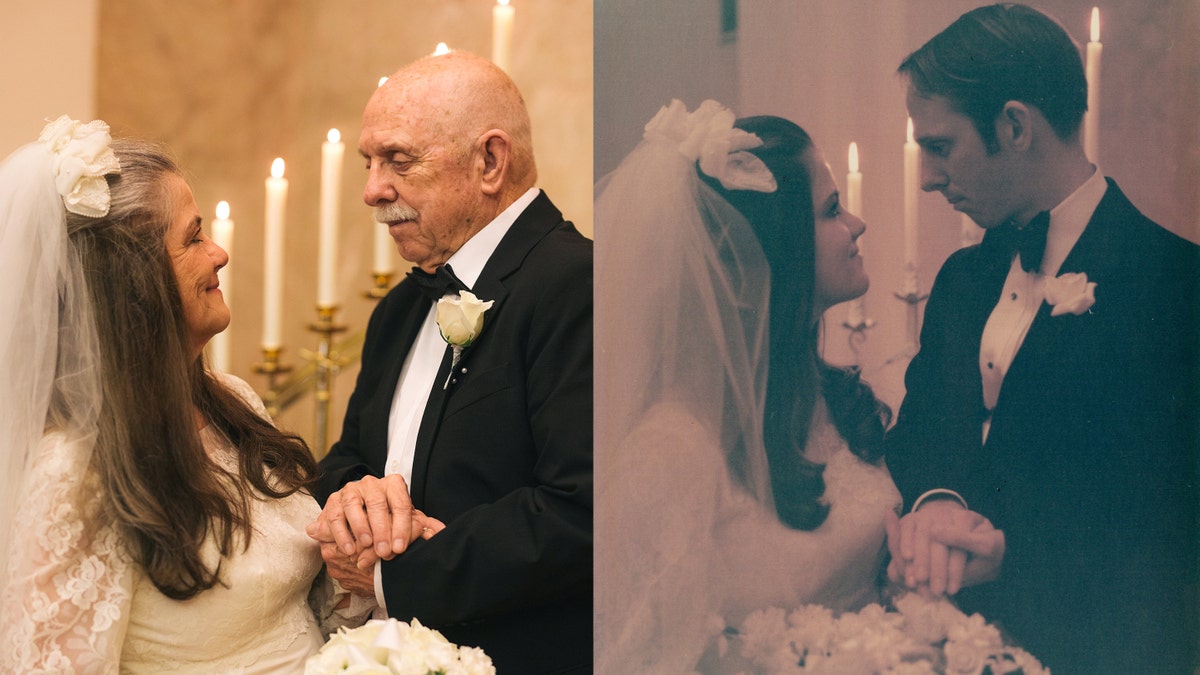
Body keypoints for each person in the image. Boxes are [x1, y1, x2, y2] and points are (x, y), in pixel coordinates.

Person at [0, 117, 435, 673]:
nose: (220, 253)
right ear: (135, 284)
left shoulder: (232, 400)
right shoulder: (75, 474)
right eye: (193, 236)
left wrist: (358, 547)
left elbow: (295, 605)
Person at [885, 5, 1199, 672]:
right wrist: (937, 502)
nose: (927, 178)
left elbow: (1172, 527)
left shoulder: (1178, 285)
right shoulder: (962, 279)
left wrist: (1013, 553)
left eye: (940, 147)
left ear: (1015, 126)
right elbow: (921, 433)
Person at [308, 51, 592, 673]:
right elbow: (349, 458)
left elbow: (584, 511)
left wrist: (397, 568)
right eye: (369, 162)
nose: (371, 189)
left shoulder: (582, 285)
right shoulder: (400, 309)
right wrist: (353, 503)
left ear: (490, 162)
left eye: (398, 160)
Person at [594, 100, 900, 672]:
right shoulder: (671, 453)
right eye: (832, 210)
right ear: (778, 249)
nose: (855, 224)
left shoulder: (832, 396)